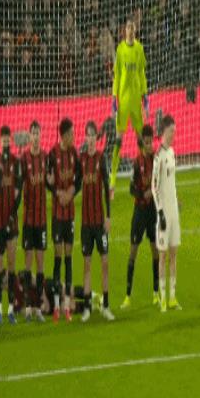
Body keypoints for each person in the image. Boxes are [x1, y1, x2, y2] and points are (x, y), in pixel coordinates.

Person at [120, 124, 159, 309]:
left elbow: (161, 182)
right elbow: (131, 188)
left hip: (152, 212)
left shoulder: (156, 160)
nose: (150, 145)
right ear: (142, 142)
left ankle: (156, 293)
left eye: (151, 142)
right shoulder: (137, 163)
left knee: (155, 251)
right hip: (140, 212)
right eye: (147, 142)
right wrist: (143, 194)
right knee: (133, 252)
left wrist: (155, 191)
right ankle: (127, 295)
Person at [78, 121, 114, 322]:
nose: (90, 139)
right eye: (88, 135)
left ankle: (106, 306)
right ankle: (87, 308)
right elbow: (75, 183)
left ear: (96, 138)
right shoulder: (81, 159)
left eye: (93, 135)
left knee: (105, 262)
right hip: (85, 223)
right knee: (87, 265)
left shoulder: (102, 158)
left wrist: (108, 216)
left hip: (100, 222)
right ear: (85, 138)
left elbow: (107, 188)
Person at [47, 118, 81, 322]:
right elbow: (47, 180)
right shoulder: (52, 154)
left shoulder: (74, 153)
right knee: (58, 258)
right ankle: (57, 306)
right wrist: (57, 192)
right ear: (64, 135)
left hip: (70, 215)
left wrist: (71, 192)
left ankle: (67, 305)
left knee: (69, 258)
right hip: (57, 215)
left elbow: (80, 178)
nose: (74, 137)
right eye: (72, 134)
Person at [110, 18, 148, 198]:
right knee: (118, 141)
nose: (131, 31)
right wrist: (113, 98)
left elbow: (142, 73)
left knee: (141, 141)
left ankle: (143, 175)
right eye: (128, 28)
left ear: (135, 31)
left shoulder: (140, 49)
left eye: (133, 29)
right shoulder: (120, 50)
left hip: (136, 102)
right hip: (124, 102)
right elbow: (117, 76)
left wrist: (145, 97)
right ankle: (112, 181)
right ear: (124, 31)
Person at [0, 125, 22, 324]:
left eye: (7, 140)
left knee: (11, 264)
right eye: (2, 140)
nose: (5, 143)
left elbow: (18, 191)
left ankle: (10, 309)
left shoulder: (16, 162)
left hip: (11, 221)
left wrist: (12, 214)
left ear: (10, 141)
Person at [151, 115, 181, 313]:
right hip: (163, 214)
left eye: (174, 131)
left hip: (174, 212)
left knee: (173, 255)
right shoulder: (159, 157)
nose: (173, 135)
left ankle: (172, 297)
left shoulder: (172, 152)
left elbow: (171, 183)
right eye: (171, 131)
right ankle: (162, 298)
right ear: (164, 132)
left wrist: (176, 200)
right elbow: (154, 186)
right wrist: (160, 211)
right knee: (162, 256)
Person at [21, 121, 47, 322]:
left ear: (40, 136)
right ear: (29, 137)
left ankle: (38, 307)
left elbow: (51, 181)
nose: (36, 137)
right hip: (28, 220)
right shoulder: (24, 159)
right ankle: (28, 305)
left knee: (40, 264)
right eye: (33, 133)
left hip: (42, 220)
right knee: (28, 263)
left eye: (38, 133)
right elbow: (18, 184)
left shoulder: (45, 158)